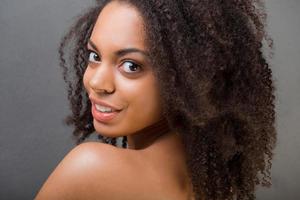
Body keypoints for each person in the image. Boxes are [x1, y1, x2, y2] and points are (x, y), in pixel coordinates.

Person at [35, 0, 276, 199]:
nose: (97, 83)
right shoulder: (214, 183)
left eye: (131, 66)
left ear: (190, 76)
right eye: (94, 55)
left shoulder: (91, 168)